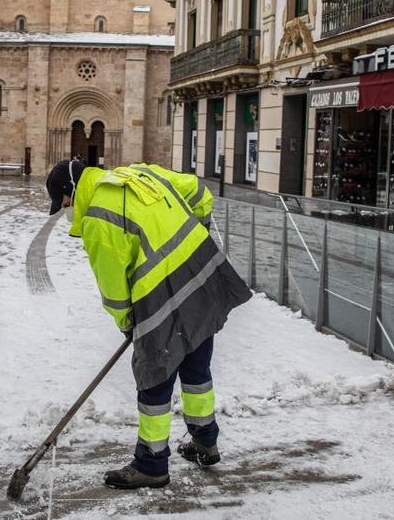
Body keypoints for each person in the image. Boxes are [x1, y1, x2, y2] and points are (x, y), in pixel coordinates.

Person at [51, 162, 251, 489]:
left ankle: (152, 463)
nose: (68, 212)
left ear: (69, 192)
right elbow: (199, 191)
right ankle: (205, 442)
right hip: (203, 278)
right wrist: (195, 232)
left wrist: (130, 326)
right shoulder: (139, 173)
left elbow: (115, 293)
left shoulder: (98, 218)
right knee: (197, 370)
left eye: (64, 206)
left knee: (153, 378)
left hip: (162, 298)